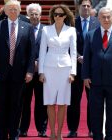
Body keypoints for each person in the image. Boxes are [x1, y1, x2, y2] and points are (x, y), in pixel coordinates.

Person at [0, 1, 35, 139]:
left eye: (16, 9)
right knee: (0, 107)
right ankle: (1, 135)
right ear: (6, 11)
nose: (13, 11)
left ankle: (14, 134)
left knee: (16, 107)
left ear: (20, 11)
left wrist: (30, 71)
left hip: (19, 75)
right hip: (0, 75)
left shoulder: (27, 27)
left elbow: (32, 52)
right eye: (10, 9)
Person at [82, 7, 112, 140]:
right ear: (99, 19)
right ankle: (97, 136)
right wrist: (85, 76)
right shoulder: (90, 35)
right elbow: (87, 58)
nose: (106, 19)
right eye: (103, 17)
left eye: (109, 17)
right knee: (96, 112)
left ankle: (110, 137)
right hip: (95, 82)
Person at [39, 4, 76, 140]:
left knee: (62, 103)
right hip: (49, 68)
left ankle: (59, 133)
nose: (57, 17)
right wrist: (41, 72)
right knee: (49, 102)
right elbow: (42, 50)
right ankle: (52, 132)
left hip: (65, 69)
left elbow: (73, 52)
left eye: (60, 14)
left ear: (65, 16)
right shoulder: (46, 30)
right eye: (55, 14)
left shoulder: (71, 30)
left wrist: (73, 72)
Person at [67, 0, 100, 138]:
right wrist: (78, 56)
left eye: (88, 5)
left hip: (92, 68)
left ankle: (92, 129)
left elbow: (99, 43)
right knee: (74, 99)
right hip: (75, 67)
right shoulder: (71, 23)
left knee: (92, 100)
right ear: (78, 7)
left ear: (91, 7)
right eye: (83, 5)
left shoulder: (97, 23)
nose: (86, 8)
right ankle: (73, 129)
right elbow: (67, 43)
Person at [18, 3, 48, 138]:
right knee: (25, 101)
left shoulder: (47, 30)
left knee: (41, 101)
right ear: (28, 15)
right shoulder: (23, 29)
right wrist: (30, 64)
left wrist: (39, 63)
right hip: (26, 72)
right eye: (32, 14)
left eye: (36, 14)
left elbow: (49, 50)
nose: (34, 16)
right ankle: (23, 129)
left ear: (40, 16)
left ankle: (42, 129)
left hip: (42, 72)